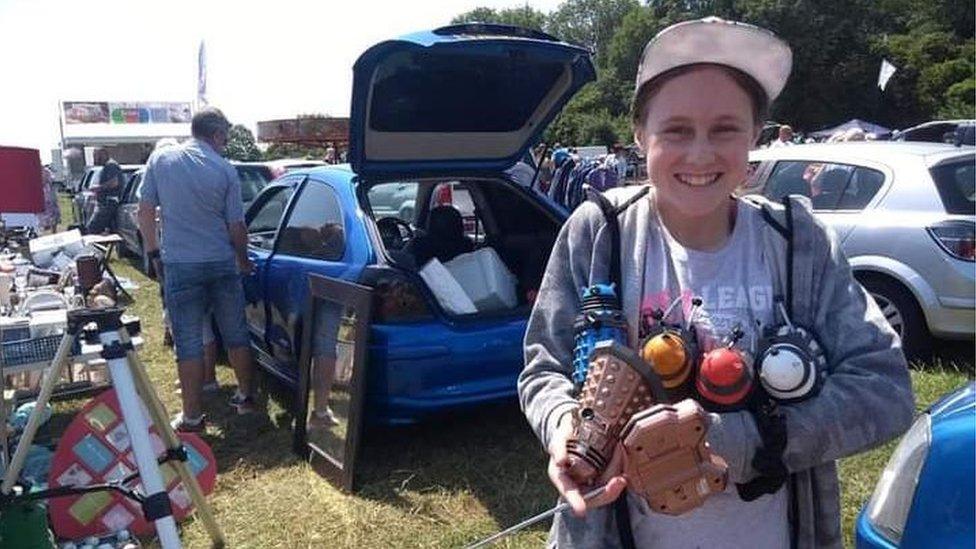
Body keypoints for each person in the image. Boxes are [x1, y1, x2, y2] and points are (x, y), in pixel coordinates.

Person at [518, 17, 913, 548]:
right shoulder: (598, 234)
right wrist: (565, 424)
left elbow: (884, 391)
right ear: (640, 134)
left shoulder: (799, 244)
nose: (700, 153)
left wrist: (736, 439)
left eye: (725, 129)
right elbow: (544, 366)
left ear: (754, 134)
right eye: (676, 130)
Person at [139, 107, 261, 432]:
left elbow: (145, 211)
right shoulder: (224, 169)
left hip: (180, 263)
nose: (226, 144)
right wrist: (244, 259)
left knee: (188, 341)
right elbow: (237, 226)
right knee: (235, 332)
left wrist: (153, 254)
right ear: (217, 134)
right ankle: (247, 397)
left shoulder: (161, 161)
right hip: (221, 262)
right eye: (226, 138)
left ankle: (192, 416)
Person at [85, 148, 124, 234]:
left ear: (104, 154)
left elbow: (114, 182)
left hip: (108, 203)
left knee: (92, 229)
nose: (95, 159)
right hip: (106, 202)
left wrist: (98, 188)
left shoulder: (111, 166)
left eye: (96, 156)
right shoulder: (107, 166)